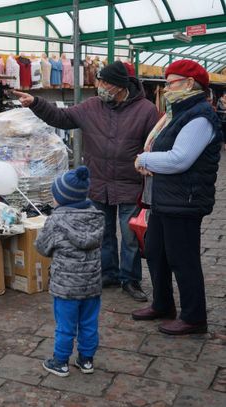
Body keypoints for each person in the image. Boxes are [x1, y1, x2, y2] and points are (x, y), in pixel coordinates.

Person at [14, 61, 158, 302]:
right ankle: (108, 274)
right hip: (98, 183)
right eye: (99, 81)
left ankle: (130, 279)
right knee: (104, 234)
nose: (99, 86)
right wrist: (36, 103)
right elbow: (61, 117)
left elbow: (154, 145)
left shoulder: (146, 110)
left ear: (120, 86)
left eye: (105, 82)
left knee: (130, 236)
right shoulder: (92, 106)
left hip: (131, 184)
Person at [132, 60, 223, 335]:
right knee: (157, 252)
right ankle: (162, 304)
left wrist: (145, 158)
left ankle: (194, 318)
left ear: (189, 84)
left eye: (171, 82)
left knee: (183, 260)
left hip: (184, 200)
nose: (166, 87)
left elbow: (180, 159)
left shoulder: (199, 117)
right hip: (164, 199)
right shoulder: (176, 113)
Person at [35, 166, 105, 377]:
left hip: (65, 288)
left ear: (63, 198)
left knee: (65, 326)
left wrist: (43, 231)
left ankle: (61, 362)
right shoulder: (96, 217)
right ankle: (86, 360)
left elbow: (42, 247)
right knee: (89, 324)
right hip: (91, 286)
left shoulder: (56, 220)